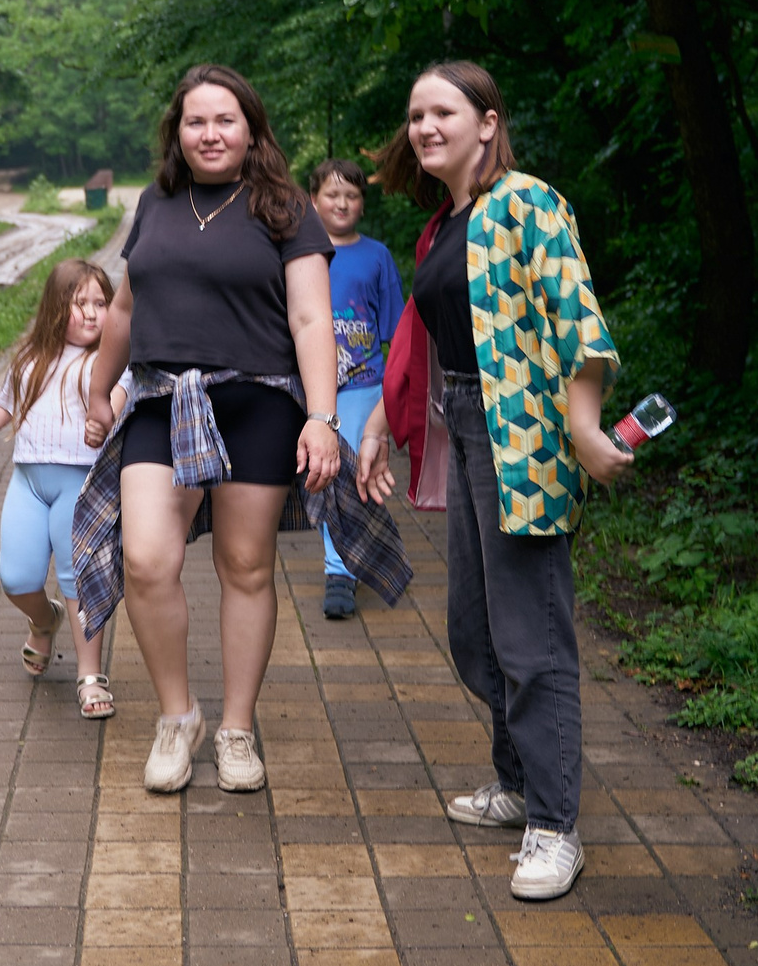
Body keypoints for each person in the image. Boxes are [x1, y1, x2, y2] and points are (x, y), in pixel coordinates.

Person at [72, 65, 411, 795]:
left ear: (251, 128)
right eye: (196, 121)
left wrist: (323, 418)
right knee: (146, 561)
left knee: (245, 565)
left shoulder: (285, 207)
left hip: (259, 401)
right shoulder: (157, 202)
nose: (210, 133)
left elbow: (311, 319)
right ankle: (177, 715)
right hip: (164, 399)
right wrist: (100, 390)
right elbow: (126, 309)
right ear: (178, 132)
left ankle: (234, 727)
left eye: (225, 120)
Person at [356, 62, 629, 901]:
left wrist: (583, 426)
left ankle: (555, 824)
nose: (425, 126)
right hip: (465, 430)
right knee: (474, 630)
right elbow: (423, 336)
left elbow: (576, 316)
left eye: (443, 110)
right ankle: (516, 782)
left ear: (488, 121)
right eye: (415, 115)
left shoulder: (527, 203)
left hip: (526, 439)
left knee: (531, 638)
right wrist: (375, 424)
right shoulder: (446, 225)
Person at [0, 258, 128, 720]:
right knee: (16, 578)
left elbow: (115, 400)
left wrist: (103, 421)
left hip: (82, 485)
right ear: (57, 309)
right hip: (29, 483)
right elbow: (0, 407)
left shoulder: (112, 363)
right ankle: (44, 620)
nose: (93, 313)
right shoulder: (31, 360)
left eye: (102, 303)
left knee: (79, 579)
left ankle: (90, 674)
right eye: (81, 304)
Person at [307, 158, 402, 620]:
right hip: (313, 386)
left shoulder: (377, 256)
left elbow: (396, 333)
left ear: (362, 203)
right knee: (324, 473)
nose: (342, 202)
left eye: (352, 195)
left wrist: (392, 396)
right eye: (332, 194)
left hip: (364, 384)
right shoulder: (299, 254)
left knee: (353, 473)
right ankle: (340, 563)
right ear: (313, 200)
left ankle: (339, 568)